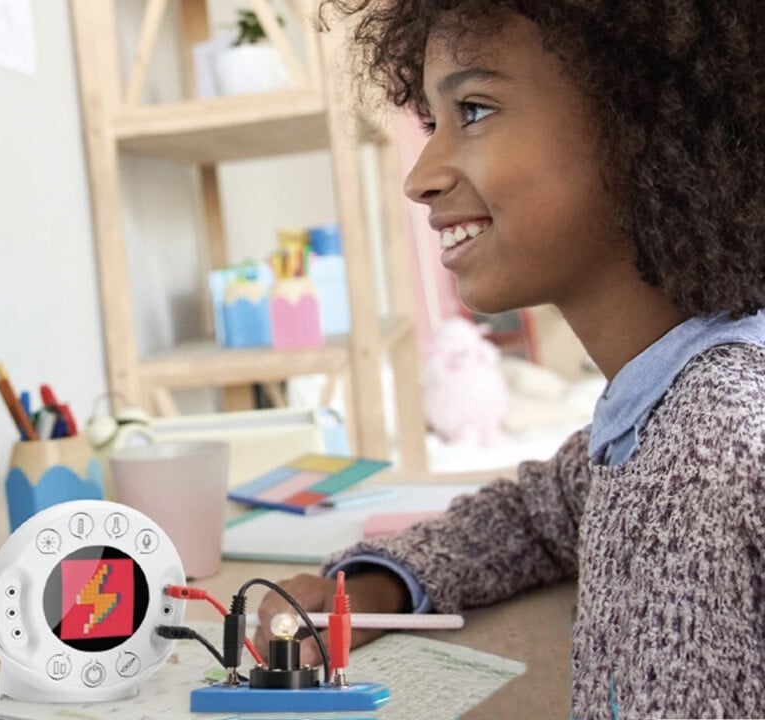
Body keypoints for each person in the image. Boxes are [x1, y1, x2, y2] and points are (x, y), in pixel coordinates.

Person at [253, 2, 765, 717]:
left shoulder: (705, 450)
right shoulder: (678, 404)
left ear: (639, 124)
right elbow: (541, 512)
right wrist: (378, 585)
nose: (421, 177)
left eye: (474, 109)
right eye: (432, 123)